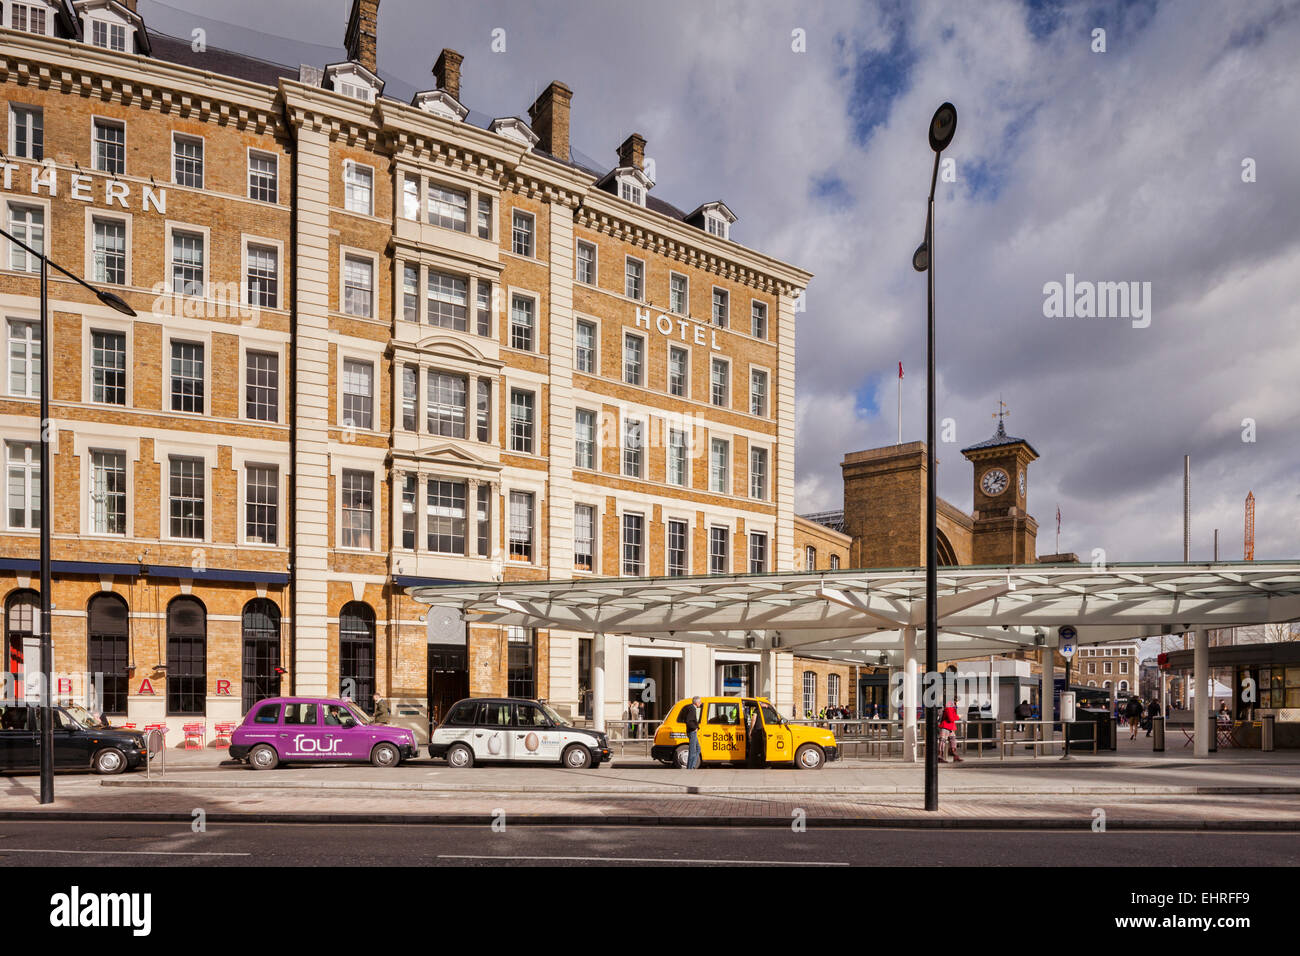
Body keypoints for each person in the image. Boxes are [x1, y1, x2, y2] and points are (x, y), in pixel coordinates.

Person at [681, 696, 702, 769]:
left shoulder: (690, 708)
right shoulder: (692, 709)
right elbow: (688, 721)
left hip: (692, 731)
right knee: (692, 750)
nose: (701, 703)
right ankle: (690, 767)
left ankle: (692, 765)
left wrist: (696, 727)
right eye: (700, 702)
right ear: (696, 702)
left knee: (698, 748)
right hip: (692, 731)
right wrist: (694, 728)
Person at [939, 699, 962, 763]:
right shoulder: (949, 708)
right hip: (946, 726)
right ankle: (940, 756)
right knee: (942, 741)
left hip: (950, 727)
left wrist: (956, 716)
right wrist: (958, 717)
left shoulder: (952, 708)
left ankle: (954, 755)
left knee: (953, 741)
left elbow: (952, 717)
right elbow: (951, 718)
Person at [746, 704, 766, 769]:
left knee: (754, 749)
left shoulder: (756, 710)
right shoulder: (764, 710)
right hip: (763, 731)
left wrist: (750, 731)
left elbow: (753, 720)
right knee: (762, 748)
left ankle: (752, 764)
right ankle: (762, 764)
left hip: (757, 731)